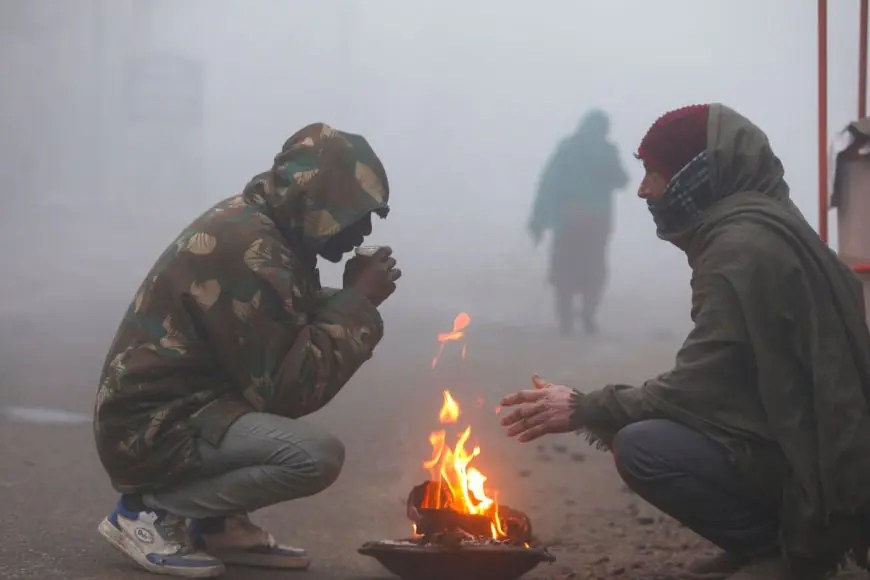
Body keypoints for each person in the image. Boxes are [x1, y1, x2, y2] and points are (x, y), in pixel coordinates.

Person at [500, 104, 870, 579]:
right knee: (578, 274)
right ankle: (764, 541)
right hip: (820, 448)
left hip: (814, 468)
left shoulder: (739, 250)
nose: (642, 189)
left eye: (654, 173)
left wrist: (583, 407)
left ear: (695, 176)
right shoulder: (768, 225)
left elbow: (698, 387)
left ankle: (780, 549)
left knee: (642, 447)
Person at [93, 123, 401, 578]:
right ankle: (149, 512)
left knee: (283, 427)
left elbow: (286, 322)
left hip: (183, 409)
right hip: (154, 428)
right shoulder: (253, 248)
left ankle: (218, 526)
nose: (367, 228)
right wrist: (356, 301)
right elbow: (290, 389)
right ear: (318, 203)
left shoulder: (267, 231)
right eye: (358, 212)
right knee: (314, 457)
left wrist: (352, 302)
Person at [527, 109, 628, 336]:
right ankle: (588, 316)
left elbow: (549, 183)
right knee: (593, 268)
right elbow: (622, 181)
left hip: (569, 219)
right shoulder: (607, 151)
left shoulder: (567, 149)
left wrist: (538, 219)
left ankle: (565, 320)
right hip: (597, 221)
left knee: (564, 267)